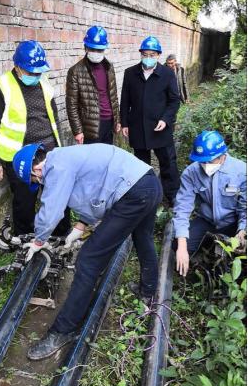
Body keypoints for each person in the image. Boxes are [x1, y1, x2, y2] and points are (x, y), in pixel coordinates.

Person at [12, 142, 163, 359]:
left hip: (133, 194)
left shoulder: (56, 167)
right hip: (148, 183)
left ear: (36, 170)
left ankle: (63, 330)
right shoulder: (66, 157)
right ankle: (148, 292)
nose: (39, 183)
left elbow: (51, 209)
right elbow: (93, 193)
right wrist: (80, 226)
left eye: (35, 181)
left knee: (88, 260)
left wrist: (38, 241)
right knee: (143, 238)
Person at [0, 40, 70, 237]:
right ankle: (24, 239)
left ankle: (60, 236)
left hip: (48, 149)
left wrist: (59, 148)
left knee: (58, 193)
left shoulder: (44, 82)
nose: (35, 76)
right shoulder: (2, 85)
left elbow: (54, 117)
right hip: (20, 155)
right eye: (31, 72)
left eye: (38, 72)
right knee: (24, 201)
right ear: (17, 67)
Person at [173, 130, 247, 277]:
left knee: (239, 256)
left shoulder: (241, 171)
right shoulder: (191, 173)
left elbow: (245, 207)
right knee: (178, 247)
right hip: (206, 220)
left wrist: (242, 230)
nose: (205, 165)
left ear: (221, 156)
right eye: (202, 161)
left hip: (232, 222)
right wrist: (182, 245)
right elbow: (182, 208)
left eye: (209, 161)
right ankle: (203, 255)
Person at [120, 35, 180, 206]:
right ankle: (144, 195)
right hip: (138, 126)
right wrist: (125, 123)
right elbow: (125, 100)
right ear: (141, 54)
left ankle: (172, 195)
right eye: (145, 54)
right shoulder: (130, 73)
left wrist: (166, 119)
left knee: (168, 162)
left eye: (152, 55)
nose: (148, 58)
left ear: (158, 55)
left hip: (160, 127)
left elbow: (174, 100)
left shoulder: (167, 74)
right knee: (140, 164)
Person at [66, 25, 120, 145]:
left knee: (106, 158)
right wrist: (77, 131)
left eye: (99, 50)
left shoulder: (109, 67)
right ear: (85, 47)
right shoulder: (75, 71)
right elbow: (72, 105)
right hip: (91, 126)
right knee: (92, 162)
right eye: (92, 49)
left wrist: (117, 120)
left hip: (109, 122)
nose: (96, 53)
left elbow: (113, 96)